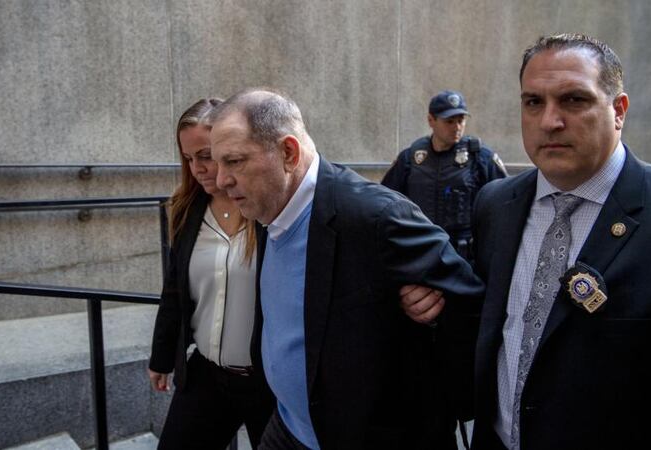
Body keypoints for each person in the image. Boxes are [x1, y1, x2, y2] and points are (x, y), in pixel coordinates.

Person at [403, 34, 651, 450]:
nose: (549, 121)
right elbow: (491, 323)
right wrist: (436, 308)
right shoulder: (497, 203)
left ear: (618, 110)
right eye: (533, 102)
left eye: (574, 100)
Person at [208, 88, 485, 449]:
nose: (220, 180)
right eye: (217, 164)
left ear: (288, 153)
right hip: (289, 427)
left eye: (234, 161)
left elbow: (470, 310)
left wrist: (431, 318)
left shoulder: (375, 216)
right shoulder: (267, 208)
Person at [148, 98, 274, 449]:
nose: (197, 168)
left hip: (269, 383)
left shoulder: (268, 209)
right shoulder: (186, 211)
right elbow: (174, 289)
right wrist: (162, 356)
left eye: (205, 155)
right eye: (188, 158)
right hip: (206, 374)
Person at [381, 89, 508, 261]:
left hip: (464, 255)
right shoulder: (411, 157)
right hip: (420, 249)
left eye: (461, 121)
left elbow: (505, 202)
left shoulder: (479, 157)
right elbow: (386, 199)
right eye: (449, 121)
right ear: (431, 120)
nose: (457, 127)